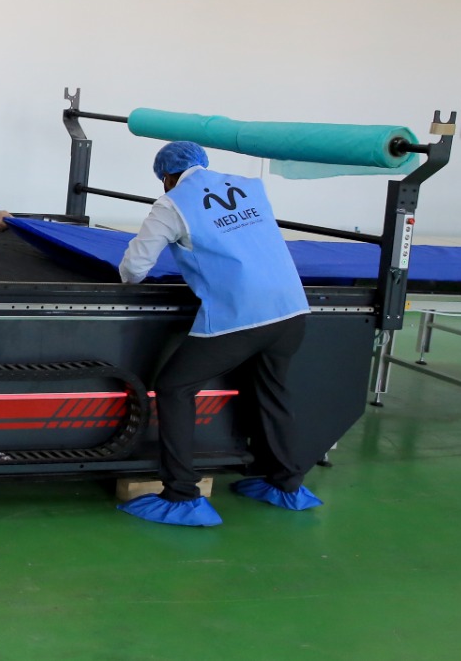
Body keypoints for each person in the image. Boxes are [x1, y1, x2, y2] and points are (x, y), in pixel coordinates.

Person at [116, 140, 322, 527]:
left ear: (167, 177)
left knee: (175, 387)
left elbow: (134, 268)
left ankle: (182, 495)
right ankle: (286, 485)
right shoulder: (249, 186)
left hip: (241, 316)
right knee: (271, 391)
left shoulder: (172, 203)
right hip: (291, 310)